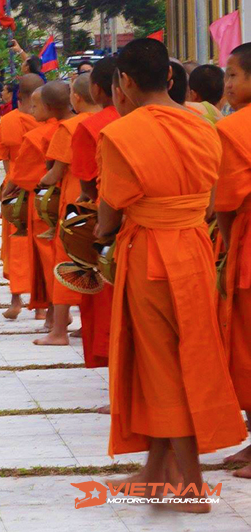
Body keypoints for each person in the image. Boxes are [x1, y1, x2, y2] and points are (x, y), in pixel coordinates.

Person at [97, 39, 246, 511]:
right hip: (195, 250)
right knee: (185, 355)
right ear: (168, 78)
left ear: (122, 83)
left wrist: (99, 234)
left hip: (151, 257)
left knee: (163, 364)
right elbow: (207, 201)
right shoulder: (206, 126)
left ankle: (191, 484)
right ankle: (156, 468)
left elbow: (106, 219)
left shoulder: (122, 134)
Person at [33, 76, 99, 346]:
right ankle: (90, 325)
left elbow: (56, 172)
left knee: (68, 258)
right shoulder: (114, 120)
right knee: (95, 259)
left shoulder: (70, 127)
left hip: (76, 195)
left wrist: (39, 184)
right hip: (104, 195)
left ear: (78, 97)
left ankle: (59, 330)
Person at [10, 83, 74, 332]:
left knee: (50, 260)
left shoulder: (39, 135)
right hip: (72, 201)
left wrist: (9, 190)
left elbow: (23, 175)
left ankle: (54, 315)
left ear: (48, 107)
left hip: (45, 204)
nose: (31, 111)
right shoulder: (77, 125)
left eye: (35, 106)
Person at [216, 43, 251, 477]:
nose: (226, 84)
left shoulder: (234, 129)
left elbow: (224, 201)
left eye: (234, 75)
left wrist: (226, 248)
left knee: (247, 344)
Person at [71, 57, 119, 371]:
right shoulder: (188, 120)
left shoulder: (90, 127)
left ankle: (119, 388)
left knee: (110, 305)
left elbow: (89, 187)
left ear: (97, 90)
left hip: (112, 226)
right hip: (184, 229)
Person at [0, 74, 44, 320]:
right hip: (44, 190)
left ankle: (16, 299)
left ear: (18, 97)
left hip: (15, 189)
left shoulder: (9, 121)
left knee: (16, 243)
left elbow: (5, 157)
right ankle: (43, 306)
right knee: (41, 244)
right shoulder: (50, 121)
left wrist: (8, 186)